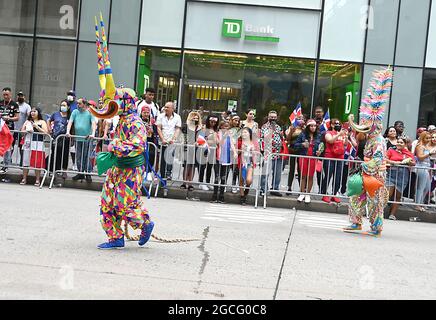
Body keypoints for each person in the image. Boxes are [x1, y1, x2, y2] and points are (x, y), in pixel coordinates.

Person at [90, 18, 154, 249]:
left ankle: (144, 223)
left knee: (126, 204)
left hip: (131, 168)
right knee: (107, 202)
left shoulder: (135, 122)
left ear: (127, 103)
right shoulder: (121, 120)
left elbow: (137, 145)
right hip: (118, 167)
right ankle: (115, 237)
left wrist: (115, 146)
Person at [345, 67, 393, 237]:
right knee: (355, 197)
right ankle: (356, 222)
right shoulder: (369, 139)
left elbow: (378, 160)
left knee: (375, 202)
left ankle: (376, 227)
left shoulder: (378, 140)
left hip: (375, 175)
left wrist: (364, 165)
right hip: (366, 173)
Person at [66, 98, 97, 182]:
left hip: (87, 139)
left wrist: (93, 133)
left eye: (79, 103)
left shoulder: (90, 112)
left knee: (87, 157)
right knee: (78, 156)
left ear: (84, 104)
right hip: (78, 138)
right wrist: (67, 131)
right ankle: (80, 173)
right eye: (77, 103)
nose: (77, 105)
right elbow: (70, 122)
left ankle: (88, 174)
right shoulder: (75, 112)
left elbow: (93, 123)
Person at [385, 137, 415, 220]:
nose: (399, 143)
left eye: (401, 142)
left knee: (397, 196)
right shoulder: (391, 150)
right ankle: (379, 211)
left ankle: (392, 214)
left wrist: (408, 161)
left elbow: (413, 163)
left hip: (403, 175)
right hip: (391, 173)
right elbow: (385, 159)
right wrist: (394, 162)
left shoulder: (408, 153)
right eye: (398, 142)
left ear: (405, 144)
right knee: (387, 194)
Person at [294, 119, 321, 204]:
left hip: (313, 158)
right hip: (304, 156)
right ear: (308, 127)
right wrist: (302, 144)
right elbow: (295, 145)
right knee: (303, 176)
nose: (313, 128)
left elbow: (321, 147)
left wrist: (319, 152)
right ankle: (302, 193)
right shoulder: (302, 134)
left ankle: (308, 194)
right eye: (311, 126)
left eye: (314, 126)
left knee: (310, 176)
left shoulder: (318, 136)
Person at [320, 119, 348, 204]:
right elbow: (330, 141)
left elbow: (345, 144)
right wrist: (338, 134)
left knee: (338, 177)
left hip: (340, 158)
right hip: (330, 157)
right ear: (331, 125)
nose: (338, 125)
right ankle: (324, 194)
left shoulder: (342, 134)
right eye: (336, 124)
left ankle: (335, 194)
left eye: (339, 124)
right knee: (328, 175)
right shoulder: (328, 133)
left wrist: (346, 137)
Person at [20, 107, 49, 186]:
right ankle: (24, 178)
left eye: (34, 111)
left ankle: (37, 180)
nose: (32, 113)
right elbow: (21, 132)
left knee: (37, 162)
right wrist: (26, 131)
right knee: (26, 161)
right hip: (28, 143)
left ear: (38, 112)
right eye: (31, 111)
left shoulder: (42, 121)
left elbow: (46, 132)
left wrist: (36, 127)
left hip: (38, 144)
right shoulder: (27, 121)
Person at [259, 111, 284, 197]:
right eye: (271, 117)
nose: (273, 119)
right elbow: (261, 139)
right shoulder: (264, 127)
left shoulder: (278, 127)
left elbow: (282, 138)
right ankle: (263, 189)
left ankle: (275, 189)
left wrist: (281, 136)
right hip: (268, 153)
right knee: (265, 173)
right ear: (268, 117)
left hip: (278, 153)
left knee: (277, 173)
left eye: (274, 117)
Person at [211, 121, 237, 203]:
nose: (226, 128)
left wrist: (235, 152)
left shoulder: (230, 135)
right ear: (221, 126)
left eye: (227, 127)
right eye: (224, 126)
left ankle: (221, 196)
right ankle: (214, 195)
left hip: (227, 158)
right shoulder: (216, 134)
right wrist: (224, 136)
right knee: (217, 177)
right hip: (218, 158)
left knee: (223, 178)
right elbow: (219, 143)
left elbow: (232, 144)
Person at [156, 101, 182, 181]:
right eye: (165, 107)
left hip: (172, 141)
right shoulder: (160, 116)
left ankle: (168, 173)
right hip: (162, 141)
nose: (165, 108)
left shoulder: (177, 117)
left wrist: (173, 139)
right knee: (162, 159)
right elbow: (159, 128)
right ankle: (162, 175)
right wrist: (162, 139)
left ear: (172, 109)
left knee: (170, 158)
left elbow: (177, 129)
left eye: (167, 107)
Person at [47, 100, 70, 177]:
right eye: (62, 105)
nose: (62, 107)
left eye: (64, 105)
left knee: (65, 154)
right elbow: (49, 120)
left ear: (68, 107)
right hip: (56, 137)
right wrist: (49, 129)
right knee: (55, 153)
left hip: (65, 138)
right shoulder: (56, 114)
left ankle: (64, 170)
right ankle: (54, 169)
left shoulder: (70, 116)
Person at [0, 87, 19, 177]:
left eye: (7, 94)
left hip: (9, 128)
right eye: (4, 94)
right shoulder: (0, 103)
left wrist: (9, 118)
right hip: (0, 128)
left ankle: (6, 165)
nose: (5, 96)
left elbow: (17, 117)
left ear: (10, 94)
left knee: (7, 147)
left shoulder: (14, 104)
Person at [182, 111, 203, 191]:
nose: (195, 119)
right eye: (193, 118)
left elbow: (202, 138)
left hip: (196, 148)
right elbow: (183, 136)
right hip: (187, 147)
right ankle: (184, 182)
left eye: (197, 118)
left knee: (193, 166)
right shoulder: (186, 126)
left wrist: (197, 142)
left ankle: (190, 183)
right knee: (186, 165)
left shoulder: (200, 127)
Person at [414, 131, 434, 212]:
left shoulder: (425, 146)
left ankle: (421, 203)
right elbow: (420, 157)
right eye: (427, 138)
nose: (429, 139)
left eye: (429, 138)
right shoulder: (420, 146)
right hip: (421, 167)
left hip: (427, 167)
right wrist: (429, 154)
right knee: (421, 187)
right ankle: (417, 205)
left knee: (427, 187)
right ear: (422, 138)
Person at [198, 115, 219, 191]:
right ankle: (201, 182)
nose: (213, 123)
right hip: (204, 149)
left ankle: (207, 182)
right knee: (203, 166)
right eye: (211, 121)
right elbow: (200, 140)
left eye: (215, 122)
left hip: (213, 150)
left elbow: (217, 141)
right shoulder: (203, 128)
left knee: (210, 167)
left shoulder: (216, 130)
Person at [285, 116, 305, 194]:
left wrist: (304, 128)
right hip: (292, 150)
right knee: (292, 169)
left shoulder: (305, 128)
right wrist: (291, 131)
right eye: (299, 118)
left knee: (301, 170)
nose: (300, 120)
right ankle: (289, 187)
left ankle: (301, 189)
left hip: (301, 151)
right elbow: (287, 139)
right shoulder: (291, 128)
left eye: (302, 118)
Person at [238, 127, 256, 205]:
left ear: (249, 134)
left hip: (250, 163)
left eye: (245, 132)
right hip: (241, 162)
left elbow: (257, 153)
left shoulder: (253, 142)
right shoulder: (239, 142)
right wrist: (241, 149)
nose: (244, 134)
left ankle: (246, 191)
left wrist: (253, 151)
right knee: (241, 180)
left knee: (249, 180)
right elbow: (235, 152)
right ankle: (242, 197)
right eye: (243, 132)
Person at [14, 91, 31, 166]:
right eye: (19, 95)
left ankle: (22, 163)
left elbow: (29, 116)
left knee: (22, 147)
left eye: (21, 96)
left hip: (22, 130)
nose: (20, 97)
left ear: (24, 97)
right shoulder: (14, 105)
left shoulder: (27, 106)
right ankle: (7, 161)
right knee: (10, 146)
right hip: (13, 129)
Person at [229, 114, 242, 194]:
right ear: (231, 120)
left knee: (236, 170)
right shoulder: (228, 128)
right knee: (228, 169)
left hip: (238, 151)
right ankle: (223, 185)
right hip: (229, 150)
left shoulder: (240, 130)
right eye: (235, 120)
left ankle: (234, 184)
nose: (237, 122)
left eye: (238, 120)